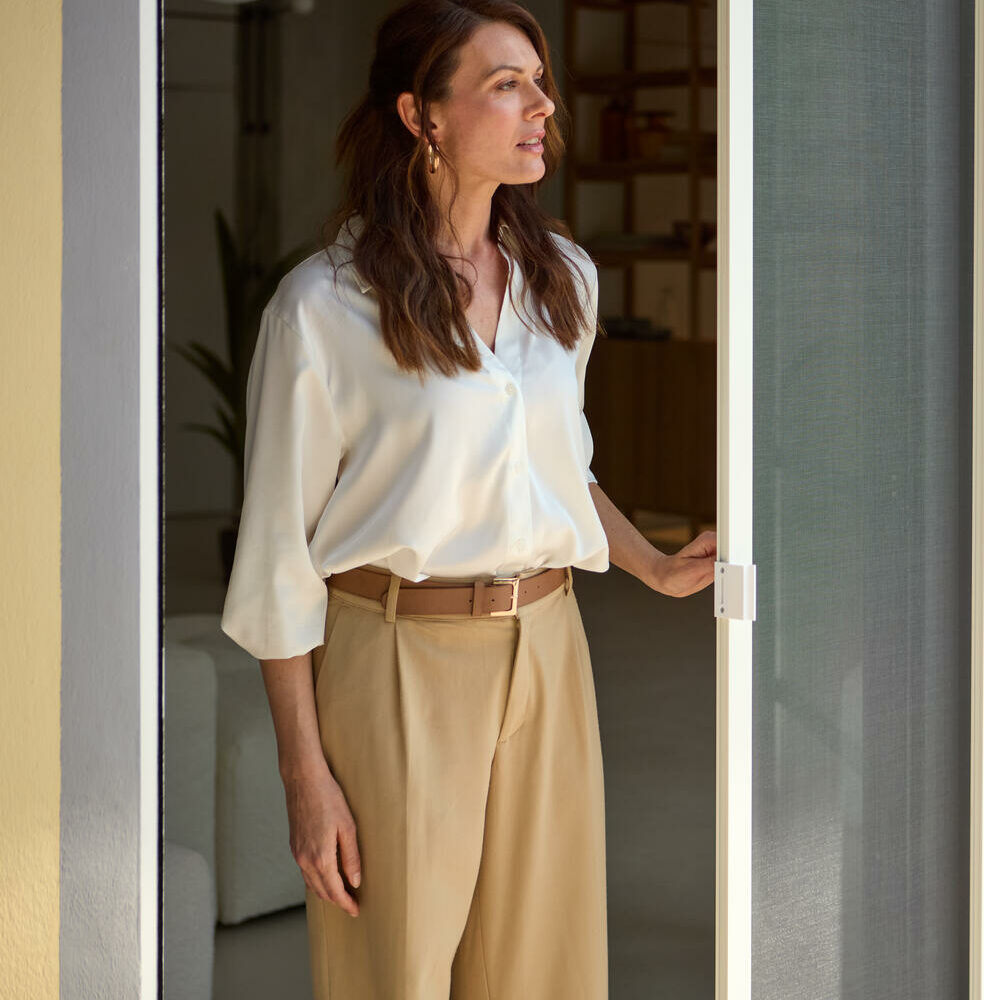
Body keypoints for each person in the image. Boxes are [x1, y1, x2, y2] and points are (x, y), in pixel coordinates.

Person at [217, 1, 716, 996]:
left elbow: (554, 472)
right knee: (394, 970)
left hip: (548, 651)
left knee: (545, 968)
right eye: (507, 83)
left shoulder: (560, 280)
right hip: (395, 658)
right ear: (422, 116)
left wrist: (654, 564)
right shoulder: (324, 308)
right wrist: (305, 778)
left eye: (538, 79)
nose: (544, 103)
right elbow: (277, 555)